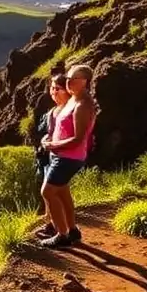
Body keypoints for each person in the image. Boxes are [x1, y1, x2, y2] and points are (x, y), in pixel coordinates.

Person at [39, 64, 96, 249]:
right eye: (69, 78)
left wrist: (53, 145)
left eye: (74, 79)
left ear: (85, 82)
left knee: (47, 192)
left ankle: (62, 235)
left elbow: (78, 138)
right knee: (62, 191)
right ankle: (72, 230)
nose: (69, 82)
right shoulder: (73, 99)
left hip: (69, 157)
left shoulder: (82, 105)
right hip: (62, 155)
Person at [34, 73, 71, 234]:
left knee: (52, 192)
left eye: (58, 89)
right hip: (47, 156)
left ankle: (61, 230)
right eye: (52, 88)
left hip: (61, 157)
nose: (53, 92)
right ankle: (51, 223)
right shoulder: (53, 111)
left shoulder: (71, 110)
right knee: (52, 192)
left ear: (68, 90)